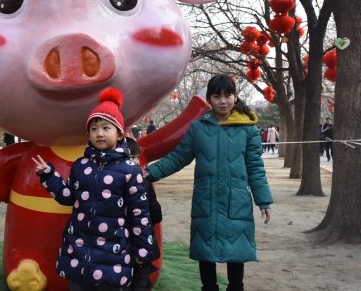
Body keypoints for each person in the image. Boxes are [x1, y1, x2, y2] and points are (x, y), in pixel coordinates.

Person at [144, 74, 273, 291]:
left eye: (228, 95)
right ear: (210, 99)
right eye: (217, 96)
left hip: (237, 200)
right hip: (207, 200)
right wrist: (149, 172)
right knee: (205, 251)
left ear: (235, 96)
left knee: (236, 251)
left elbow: (255, 167)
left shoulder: (248, 129)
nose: (223, 101)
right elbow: (178, 157)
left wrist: (264, 200)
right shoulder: (198, 128)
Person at [31, 88, 156, 291]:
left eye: (106, 127)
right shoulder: (80, 166)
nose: (99, 133)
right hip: (78, 250)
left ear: (119, 133)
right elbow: (67, 197)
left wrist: (143, 250)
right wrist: (48, 175)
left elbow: (139, 214)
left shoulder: (130, 170)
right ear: (88, 135)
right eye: (94, 128)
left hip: (113, 254)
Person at [126, 137, 162, 291]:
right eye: (130, 157)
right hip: (140, 244)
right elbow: (156, 214)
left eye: (136, 157)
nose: (134, 162)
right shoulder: (143, 181)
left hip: (130, 247)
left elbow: (155, 212)